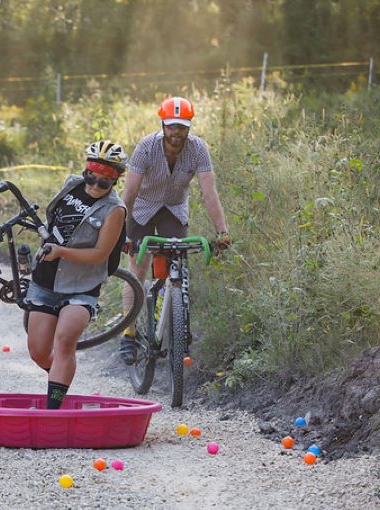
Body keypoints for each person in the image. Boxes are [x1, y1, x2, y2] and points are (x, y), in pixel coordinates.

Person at [118, 97, 231, 364]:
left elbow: (209, 192)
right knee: (137, 267)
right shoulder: (146, 146)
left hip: (173, 209)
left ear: (189, 126)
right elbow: (130, 192)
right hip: (142, 208)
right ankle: (129, 334)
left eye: (181, 126)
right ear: (163, 124)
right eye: (171, 126)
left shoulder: (198, 149)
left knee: (179, 267)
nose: (176, 132)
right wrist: (120, 232)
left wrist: (222, 231)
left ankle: (180, 329)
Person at [26, 141, 128, 409]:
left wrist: (61, 252)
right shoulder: (71, 185)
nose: (95, 184)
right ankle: (59, 379)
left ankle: (53, 408)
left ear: (115, 180)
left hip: (82, 285)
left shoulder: (114, 210)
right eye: (92, 175)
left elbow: (99, 254)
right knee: (38, 351)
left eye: (104, 181)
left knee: (65, 341)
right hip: (46, 280)